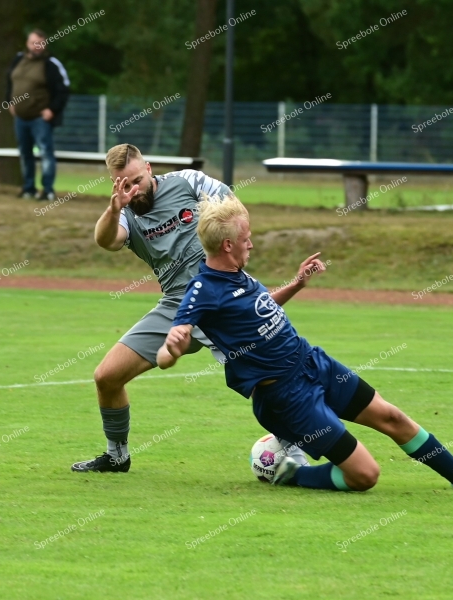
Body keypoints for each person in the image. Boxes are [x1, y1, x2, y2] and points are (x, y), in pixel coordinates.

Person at [163, 196, 453, 491]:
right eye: (246, 238)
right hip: (287, 397)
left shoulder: (237, 272)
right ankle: (291, 474)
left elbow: (259, 308)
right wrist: (174, 347)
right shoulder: (203, 290)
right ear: (228, 245)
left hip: (313, 363)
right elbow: (169, 351)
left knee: (391, 416)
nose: (250, 243)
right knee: (365, 475)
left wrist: (297, 283)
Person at [71, 143, 312, 473]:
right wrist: (114, 210)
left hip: (222, 297)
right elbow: (106, 241)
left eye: (137, 180)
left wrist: (225, 260)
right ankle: (117, 456)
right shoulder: (124, 214)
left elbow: (235, 213)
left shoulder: (188, 182)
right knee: (106, 377)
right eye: (123, 184)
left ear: (149, 168)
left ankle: (294, 450)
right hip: (175, 306)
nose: (133, 189)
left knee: (260, 377)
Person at [6, 29, 70, 201]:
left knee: (45, 153)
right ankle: (28, 189)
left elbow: (63, 89)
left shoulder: (51, 64)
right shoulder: (18, 60)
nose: (37, 46)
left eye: (40, 43)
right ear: (28, 43)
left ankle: (47, 190)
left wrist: (52, 110)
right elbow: (9, 81)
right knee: (25, 154)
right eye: (34, 42)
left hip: (40, 119)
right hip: (20, 118)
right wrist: (9, 102)